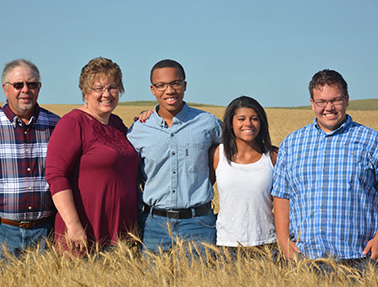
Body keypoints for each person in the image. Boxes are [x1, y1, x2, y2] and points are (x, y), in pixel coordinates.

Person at [272, 69, 378, 268]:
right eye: (321, 101)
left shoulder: (372, 141)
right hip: (304, 257)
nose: (329, 107)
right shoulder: (292, 143)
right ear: (312, 103)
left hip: (360, 257)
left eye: (335, 100)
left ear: (346, 99)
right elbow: (281, 197)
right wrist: (284, 241)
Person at [127, 59, 222, 254]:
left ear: (185, 85)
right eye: (161, 85)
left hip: (199, 224)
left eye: (175, 83)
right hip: (154, 226)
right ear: (152, 89)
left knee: (200, 283)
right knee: (153, 284)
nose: (169, 91)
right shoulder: (139, 129)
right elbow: (130, 176)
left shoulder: (208, 123)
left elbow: (236, 152)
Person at [45, 57, 138, 256]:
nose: (107, 94)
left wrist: (150, 117)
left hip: (122, 235)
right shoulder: (73, 123)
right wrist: (73, 225)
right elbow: (56, 175)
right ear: (85, 92)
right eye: (99, 88)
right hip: (86, 233)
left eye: (112, 87)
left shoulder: (117, 124)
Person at [0, 59, 60, 259]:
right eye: (18, 85)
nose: (25, 90)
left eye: (32, 85)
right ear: (6, 89)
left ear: (39, 88)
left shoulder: (57, 125)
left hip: (45, 232)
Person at [211, 96, 278, 254]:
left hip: (267, 243)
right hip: (226, 244)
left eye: (254, 119)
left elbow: (284, 201)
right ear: (231, 122)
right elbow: (201, 193)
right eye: (241, 119)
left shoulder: (273, 156)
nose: (248, 124)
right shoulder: (217, 154)